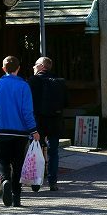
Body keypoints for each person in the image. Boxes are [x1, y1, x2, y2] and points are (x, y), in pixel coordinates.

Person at [0, 55, 41, 208]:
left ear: (3, 69)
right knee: (18, 164)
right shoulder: (23, 86)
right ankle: (17, 197)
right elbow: (27, 110)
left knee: (1, 160)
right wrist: (33, 129)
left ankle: (4, 180)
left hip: (0, 129)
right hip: (19, 130)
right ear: (18, 68)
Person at [29, 56, 68, 191]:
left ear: (41, 66)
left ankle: (36, 181)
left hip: (38, 120)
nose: (33, 67)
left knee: (36, 150)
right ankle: (52, 181)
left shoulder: (33, 81)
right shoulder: (59, 82)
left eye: (35, 64)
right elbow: (66, 102)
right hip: (55, 121)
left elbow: (29, 102)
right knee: (53, 152)